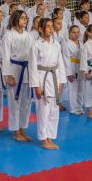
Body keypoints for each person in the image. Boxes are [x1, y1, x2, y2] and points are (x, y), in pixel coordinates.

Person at [29, 18, 67, 150]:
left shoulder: (56, 44)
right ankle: (43, 138)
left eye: (52, 26)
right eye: (48, 27)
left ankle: (50, 136)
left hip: (54, 77)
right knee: (43, 110)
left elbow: (60, 63)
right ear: (40, 29)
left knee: (54, 111)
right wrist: (36, 86)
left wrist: (61, 81)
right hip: (42, 78)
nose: (51, 29)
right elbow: (32, 67)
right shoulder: (36, 45)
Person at [2, 10, 34, 142]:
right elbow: (5, 57)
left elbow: (33, 55)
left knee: (26, 103)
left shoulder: (29, 35)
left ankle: (23, 129)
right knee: (15, 102)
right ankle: (15, 131)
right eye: (22, 18)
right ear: (15, 20)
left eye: (26, 18)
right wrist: (8, 75)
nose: (25, 20)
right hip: (14, 70)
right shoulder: (8, 36)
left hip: (27, 70)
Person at [63, 25, 83, 115]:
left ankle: (79, 106)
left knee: (80, 89)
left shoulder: (81, 43)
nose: (76, 34)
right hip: (71, 68)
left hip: (81, 68)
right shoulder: (67, 44)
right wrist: (68, 73)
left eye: (77, 32)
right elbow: (66, 59)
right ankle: (73, 108)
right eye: (74, 32)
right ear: (69, 33)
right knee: (73, 90)